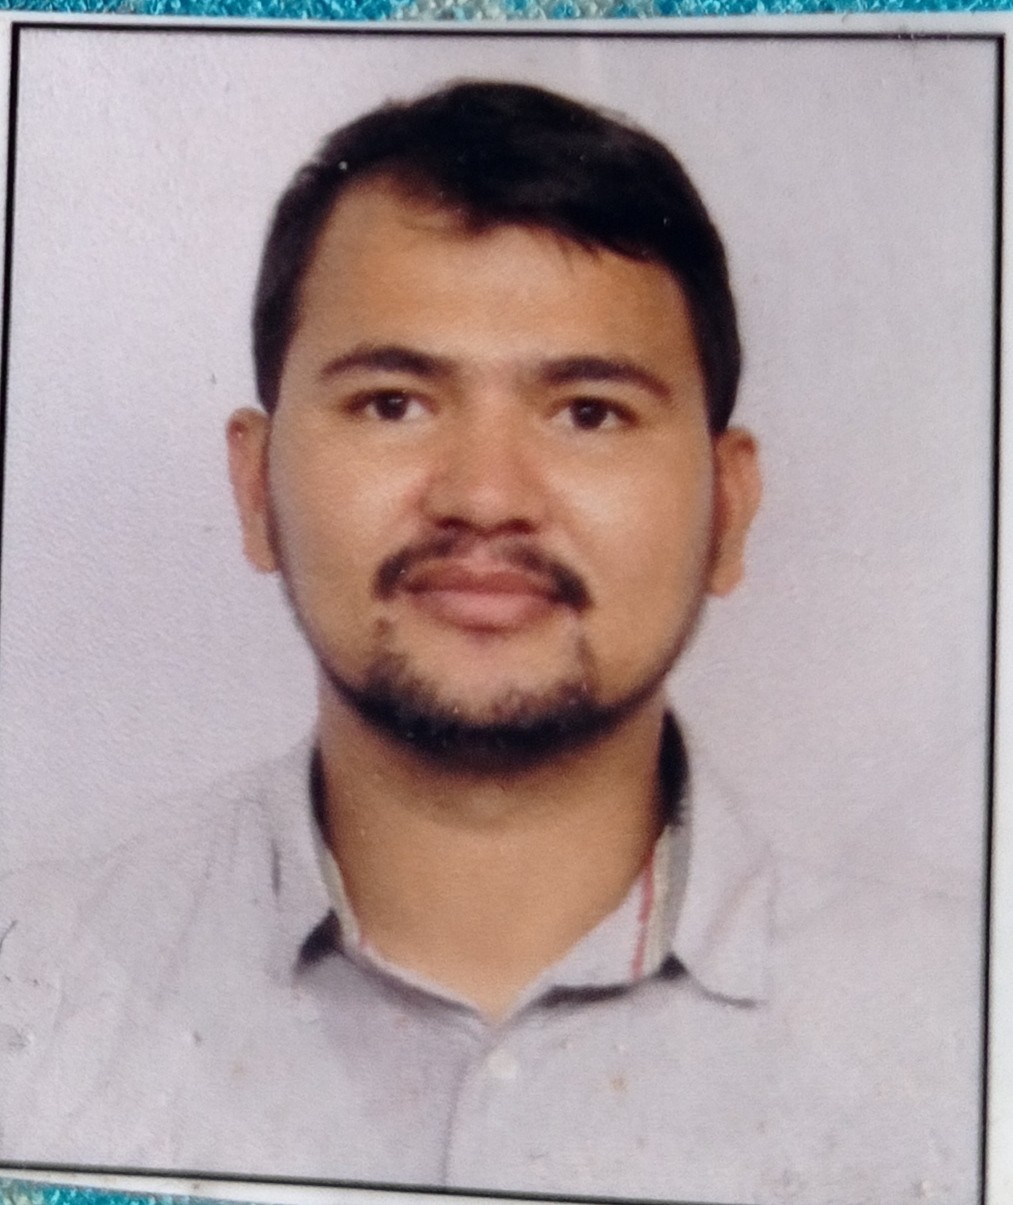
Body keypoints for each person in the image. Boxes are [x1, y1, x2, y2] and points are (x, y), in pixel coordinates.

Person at [1, 81, 979, 1204]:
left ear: (728, 508)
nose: (483, 497)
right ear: (255, 488)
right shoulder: (32, 990)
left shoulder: (956, 1029)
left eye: (588, 412)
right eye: (392, 402)